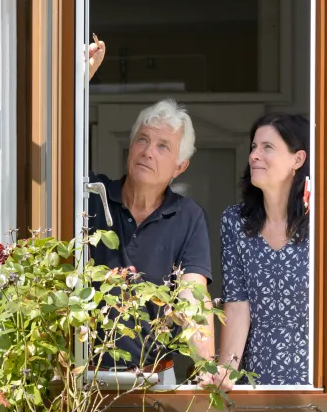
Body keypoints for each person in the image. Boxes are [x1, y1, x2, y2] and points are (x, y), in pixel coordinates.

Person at [85, 98, 215, 371]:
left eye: (162, 146)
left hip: (154, 378)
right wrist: (82, 76)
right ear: (130, 148)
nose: (148, 152)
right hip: (83, 377)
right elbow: (60, 149)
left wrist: (207, 370)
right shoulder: (92, 196)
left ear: (180, 167)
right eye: (142, 140)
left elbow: (194, 295)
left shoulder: (188, 217)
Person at [216, 114, 312, 386]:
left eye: (267, 147)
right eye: (253, 147)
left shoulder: (324, 226)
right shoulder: (235, 222)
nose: (254, 155)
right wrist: (225, 374)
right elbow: (236, 306)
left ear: (298, 159)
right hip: (257, 386)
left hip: (316, 388)